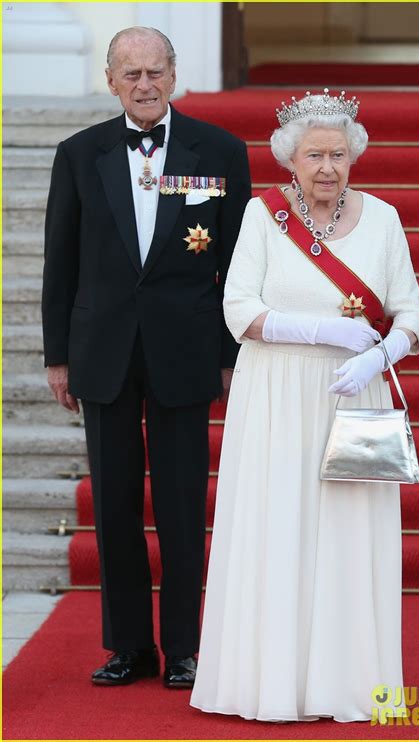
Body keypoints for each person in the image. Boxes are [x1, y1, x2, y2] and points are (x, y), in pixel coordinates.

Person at [190, 89, 419, 722]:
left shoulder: (383, 218)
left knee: (351, 540)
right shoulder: (261, 216)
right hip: (276, 395)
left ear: (354, 157)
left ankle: (348, 685)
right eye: (314, 155)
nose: (328, 167)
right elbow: (237, 309)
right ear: (289, 162)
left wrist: (382, 355)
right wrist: (323, 330)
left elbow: (412, 310)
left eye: (339, 155)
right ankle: (270, 683)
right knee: (278, 531)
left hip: (353, 395)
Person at [42, 26, 251, 688]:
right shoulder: (79, 154)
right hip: (101, 351)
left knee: (184, 506)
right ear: (111, 81)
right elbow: (61, 262)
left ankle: (187, 648)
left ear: (174, 73)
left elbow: (238, 266)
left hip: (185, 351)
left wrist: (227, 352)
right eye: (130, 74)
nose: (144, 84)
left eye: (154, 72)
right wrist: (57, 356)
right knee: (115, 505)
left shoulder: (218, 151)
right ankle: (129, 646)